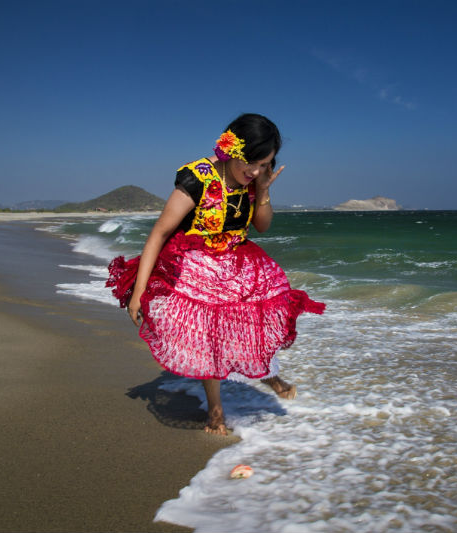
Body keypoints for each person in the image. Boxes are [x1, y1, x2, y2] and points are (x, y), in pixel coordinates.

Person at [106, 113, 325, 435]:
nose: (254, 171)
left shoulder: (257, 179)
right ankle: (216, 412)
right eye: (249, 164)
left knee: (257, 320)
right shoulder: (197, 177)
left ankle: (268, 374)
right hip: (196, 263)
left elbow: (261, 226)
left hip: (237, 260)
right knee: (212, 338)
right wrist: (139, 292)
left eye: (264, 164)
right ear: (230, 150)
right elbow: (159, 233)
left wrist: (263, 189)